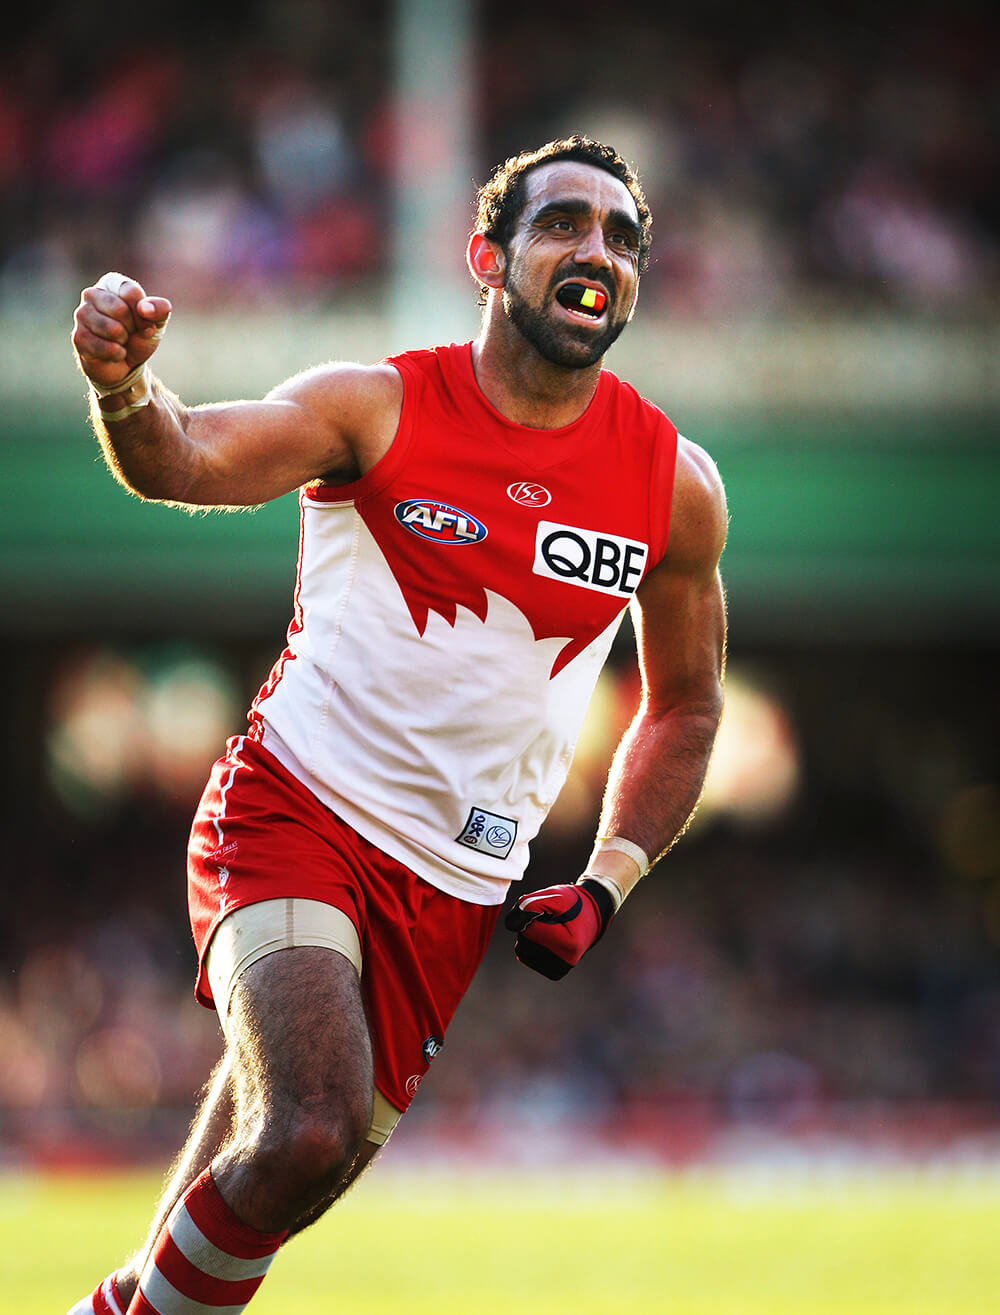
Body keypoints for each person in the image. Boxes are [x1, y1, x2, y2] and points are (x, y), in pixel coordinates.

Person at [68, 134, 727, 1315]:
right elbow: (182, 459)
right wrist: (124, 383)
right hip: (295, 806)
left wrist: (610, 875)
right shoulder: (371, 405)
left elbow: (685, 703)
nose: (598, 252)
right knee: (309, 1126)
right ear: (489, 256)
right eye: (564, 225)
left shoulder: (673, 484)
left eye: (624, 237)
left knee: (284, 1176)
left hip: (458, 888)